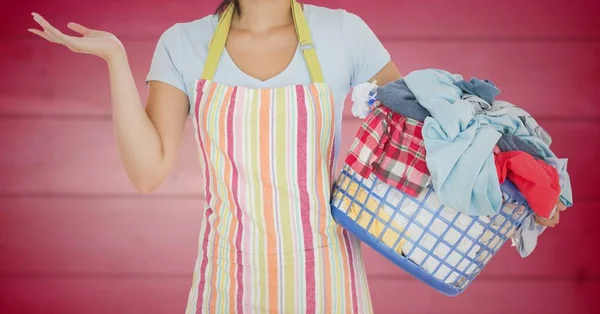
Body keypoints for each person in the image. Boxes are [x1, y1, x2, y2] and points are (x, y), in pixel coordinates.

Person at [28, 0, 563, 313]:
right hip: (226, 281)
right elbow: (148, 172)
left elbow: (423, 142)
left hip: (328, 279)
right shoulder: (184, 43)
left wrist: (519, 186)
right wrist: (116, 60)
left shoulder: (342, 33)